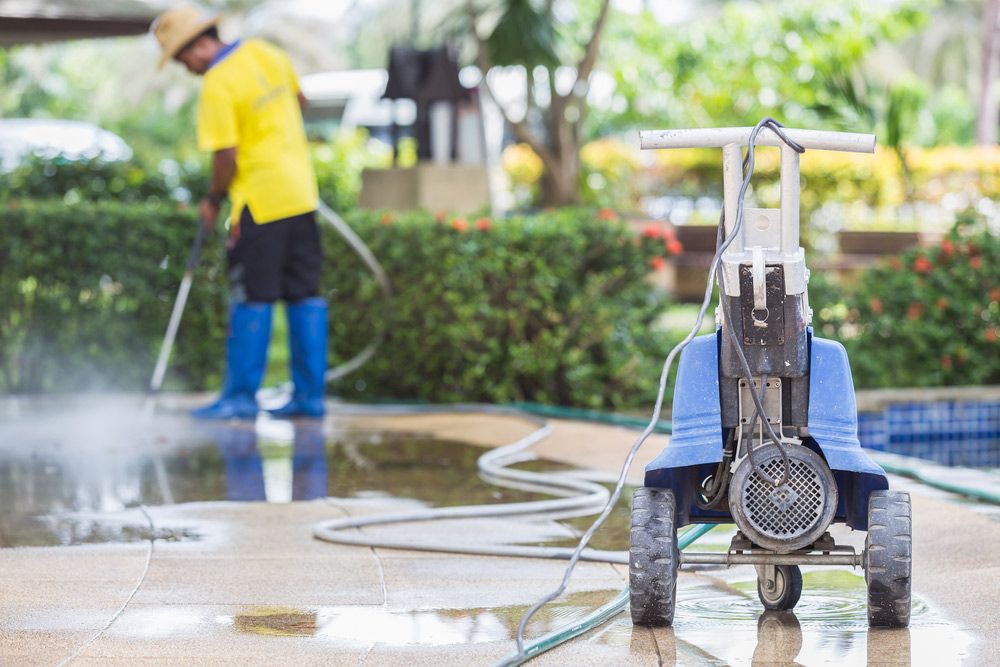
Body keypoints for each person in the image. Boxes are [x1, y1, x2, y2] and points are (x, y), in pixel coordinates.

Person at [152, 5, 327, 420]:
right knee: (305, 295)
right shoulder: (267, 52)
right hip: (302, 194)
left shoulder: (217, 83)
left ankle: (240, 399)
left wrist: (213, 199)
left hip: (261, 204)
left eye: (181, 59)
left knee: (253, 296)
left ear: (197, 46)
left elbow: (225, 154)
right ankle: (310, 399)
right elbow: (300, 101)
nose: (186, 68)